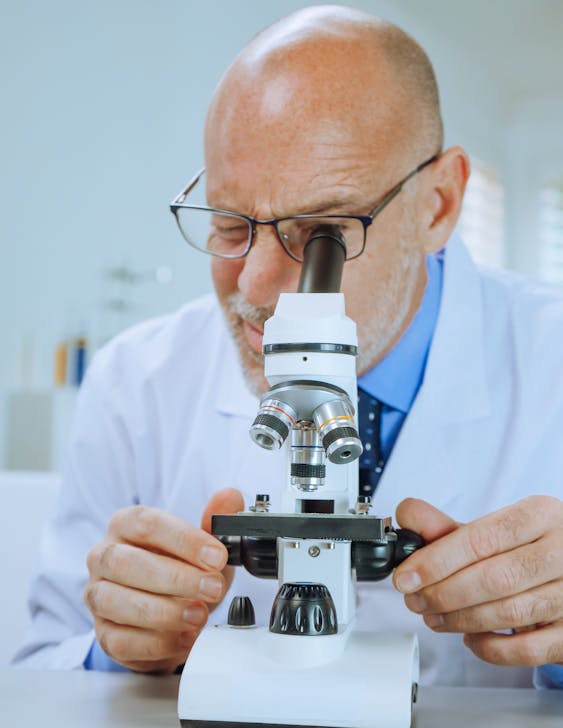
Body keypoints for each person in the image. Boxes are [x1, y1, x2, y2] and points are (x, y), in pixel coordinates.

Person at [14, 5, 563, 688]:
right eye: (228, 223)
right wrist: (115, 649)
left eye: (319, 234)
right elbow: (38, 677)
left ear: (438, 206)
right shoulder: (136, 379)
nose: (254, 283)